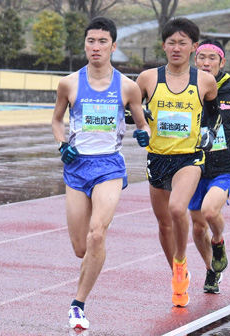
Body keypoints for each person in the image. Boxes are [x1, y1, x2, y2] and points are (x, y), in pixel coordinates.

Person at [51, 16, 151, 330]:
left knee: (97, 235)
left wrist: (143, 133)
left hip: (109, 166)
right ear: (85, 44)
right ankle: (89, 265)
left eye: (102, 41)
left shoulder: (127, 86)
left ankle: (77, 305)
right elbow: (56, 121)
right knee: (80, 247)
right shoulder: (69, 83)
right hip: (77, 167)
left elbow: (141, 121)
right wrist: (61, 143)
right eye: (91, 41)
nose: (96, 47)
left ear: (113, 46)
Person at [135, 18, 222, 307]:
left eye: (183, 42)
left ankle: (182, 260)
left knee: (177, 209)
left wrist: (209, 133)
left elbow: (212, 114)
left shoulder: (205, 81)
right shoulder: (147, 78)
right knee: (164, 224)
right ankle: (177, 274)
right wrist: (143, 130)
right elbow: (135, 112)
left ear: (193, 47)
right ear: (163, 46)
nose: (176, 48)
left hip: (189, 158)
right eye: (171, 42)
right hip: (157, 158)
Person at [188, 38, 230, 294]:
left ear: (222, 62)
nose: (206, 63)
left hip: (226, 164)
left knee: (209, 212)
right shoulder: (185, 87)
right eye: (202, 58)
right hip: (193, 165)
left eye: (212, 58)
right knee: (196, 228)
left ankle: (218, 240)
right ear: (195, 61)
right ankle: (211, 271)